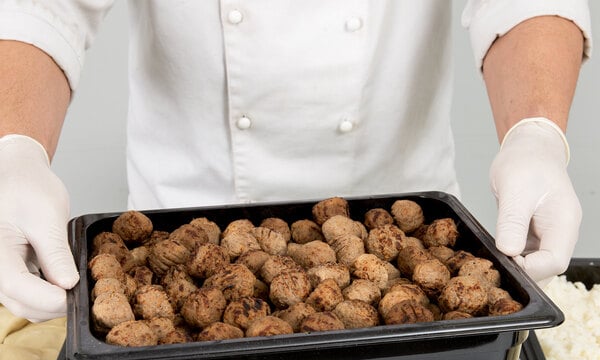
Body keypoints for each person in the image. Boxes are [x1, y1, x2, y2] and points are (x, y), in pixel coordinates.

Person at [0, 1, 592, 322]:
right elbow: (40, 8)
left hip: (408, 246)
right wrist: (14, 146)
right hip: (175, 226)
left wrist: (535, 131)